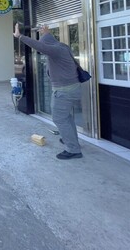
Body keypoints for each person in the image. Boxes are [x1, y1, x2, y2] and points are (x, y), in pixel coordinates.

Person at [13, 23, 84, 160]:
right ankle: (69, 139)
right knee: (66, 118)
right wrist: (46, 33)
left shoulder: (55, 50)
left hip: (64, 90)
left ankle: (73, 149)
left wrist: (20, 36)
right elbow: (44, 44)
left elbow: (41, 46)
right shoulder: (63, 46)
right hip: (71, 88)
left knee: (59, 118)